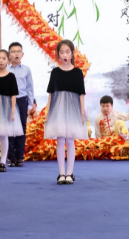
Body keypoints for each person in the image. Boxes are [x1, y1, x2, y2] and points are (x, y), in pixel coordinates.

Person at [44, 40, 87, 185]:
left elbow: (81, 94)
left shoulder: (77, 72)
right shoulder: (55, 72)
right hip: (58, 109)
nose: (64, 55)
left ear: (72, 53)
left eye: (67, 52)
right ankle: (61, 173)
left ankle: (70, 173)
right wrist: (48, 112)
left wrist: (82, 113)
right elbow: (51, 93)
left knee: (70, 140)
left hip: (73, 109)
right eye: (61, 52)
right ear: (58, 54)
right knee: (60, 140)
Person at [7, 42, 34, 167]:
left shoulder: (26, 70)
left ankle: (19, 157)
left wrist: (30, 105)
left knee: (22, 129)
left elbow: (30, 88)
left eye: (18, 51)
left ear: (22, 54)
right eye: (13, 52)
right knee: (9, 129)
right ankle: (11, 157)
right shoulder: (6, 69)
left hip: (22, 100)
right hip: (8, 101)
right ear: (9, 55)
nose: (16, 54)